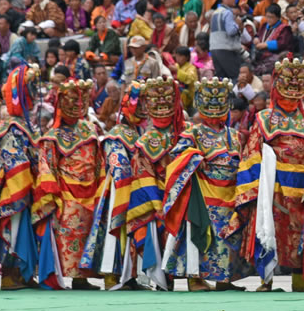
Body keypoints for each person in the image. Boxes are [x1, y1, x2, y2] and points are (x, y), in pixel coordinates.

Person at [161, 77, 254, 291]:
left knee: (228, 238)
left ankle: (224, 279)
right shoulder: (192, 132)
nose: (214, 108)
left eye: (219, 103)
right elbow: (177, 156)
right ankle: (195, 278)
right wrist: (194, 157)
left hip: (230, 195)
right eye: (209, 103)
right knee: (201, 236)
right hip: (203, 196)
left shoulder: (234, 135)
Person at [236, 57, 304, 292]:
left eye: (298, 86)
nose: (293, 91)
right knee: (270, 230)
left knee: (300, 234)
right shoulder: (265, 118)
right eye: (288, 85)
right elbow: (252, 151)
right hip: (275, 188)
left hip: (302, 187)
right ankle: (266, 280)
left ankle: (300, 281)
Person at [33, 79, 104, 289]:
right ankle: (66, 274)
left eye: (81, 100)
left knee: (89, 233)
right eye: (72, 100)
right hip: (66, 192)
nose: (77, 105)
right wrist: (53, 193)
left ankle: (82, 278)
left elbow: (98, 158)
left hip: (91, 189)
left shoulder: (90, 128)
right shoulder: (52, 137)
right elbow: (48, 166)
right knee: (68, 235)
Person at [79, 82, 146, 290]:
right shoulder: (116, 133)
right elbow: (116, 161)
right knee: (114, 233)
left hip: (136, 189)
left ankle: (131, 276)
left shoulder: (140, 133)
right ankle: (111, 276)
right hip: (119, 190)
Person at [124, 77, 183, 290]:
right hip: (158, 195)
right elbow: (143, 173)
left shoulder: (184, 134)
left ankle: (192, 278)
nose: (163, 110)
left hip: (181, 194)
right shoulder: (147, 140)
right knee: (158, 236)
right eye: (157, 106)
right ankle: (162, 280)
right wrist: (157, 203)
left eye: (167, 105)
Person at [0, 66, 40, 290]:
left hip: (27, 183)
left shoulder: (24, 125)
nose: (35, 93)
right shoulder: (12, 126)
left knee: (24, 229)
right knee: (14, 229)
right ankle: (10, 275)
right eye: (31, 88)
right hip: (15, 186)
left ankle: (23, 273)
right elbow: (12, 158)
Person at [252, 5, 292, 76]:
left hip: (276, 54)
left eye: (271, 17)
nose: (268, 19)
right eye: (267, 17)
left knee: (274, 61)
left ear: (278, 17)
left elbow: (282, 43)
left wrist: (266, 45)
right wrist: (256, 38)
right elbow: (258, 35)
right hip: (261, 53)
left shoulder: (284, 28)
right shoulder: (264, 25)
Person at [209, 0, 243, 81]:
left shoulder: (215, 13)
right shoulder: (227, 12)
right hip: (226, 48)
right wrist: (237, 25)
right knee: (235, 76)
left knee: (222, 79)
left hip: (214, 48)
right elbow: (231, 31)